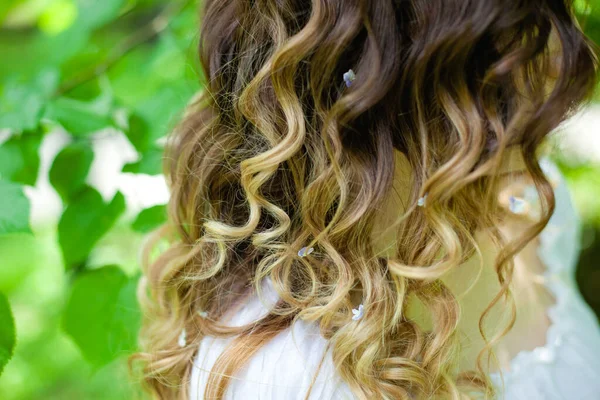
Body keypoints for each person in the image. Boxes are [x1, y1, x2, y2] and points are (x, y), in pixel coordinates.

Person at [133, 0, 600, 399]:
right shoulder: (281, 370)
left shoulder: (533, 210)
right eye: (511, 36)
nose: (558, 60)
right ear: (387, 72)